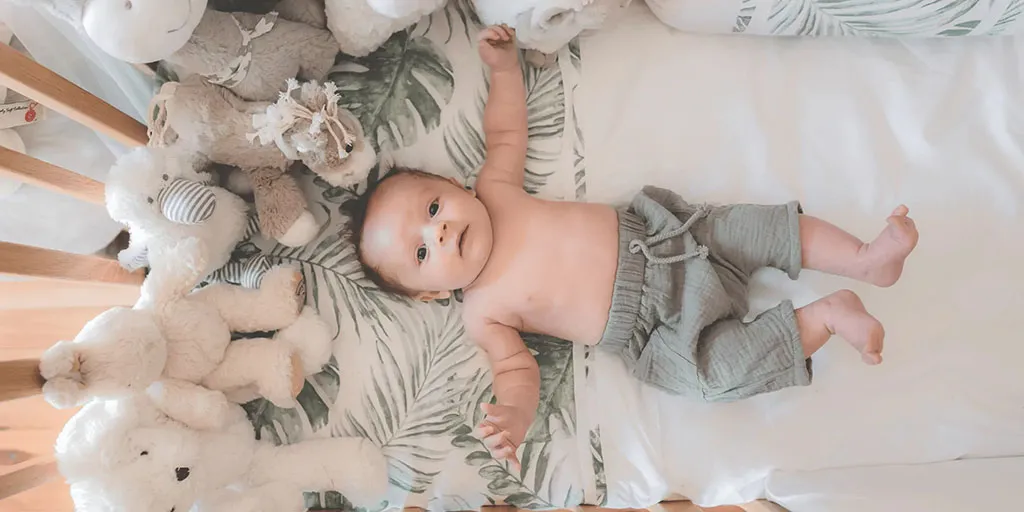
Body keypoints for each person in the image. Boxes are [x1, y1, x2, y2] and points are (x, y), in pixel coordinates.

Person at [351, 25, 919, 469]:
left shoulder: (494, 190)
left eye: (431, 210)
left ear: (454, 187)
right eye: (421, 253)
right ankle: (826, 316)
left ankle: (866, 257)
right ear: (429, 296)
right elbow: (517, 371)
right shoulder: (482, 313)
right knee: (713, 377)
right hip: (655, 331)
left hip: (666, 238)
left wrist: (503, 68)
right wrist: (516, 417)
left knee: (750, 228)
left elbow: (506, 132)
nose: (440, 232)